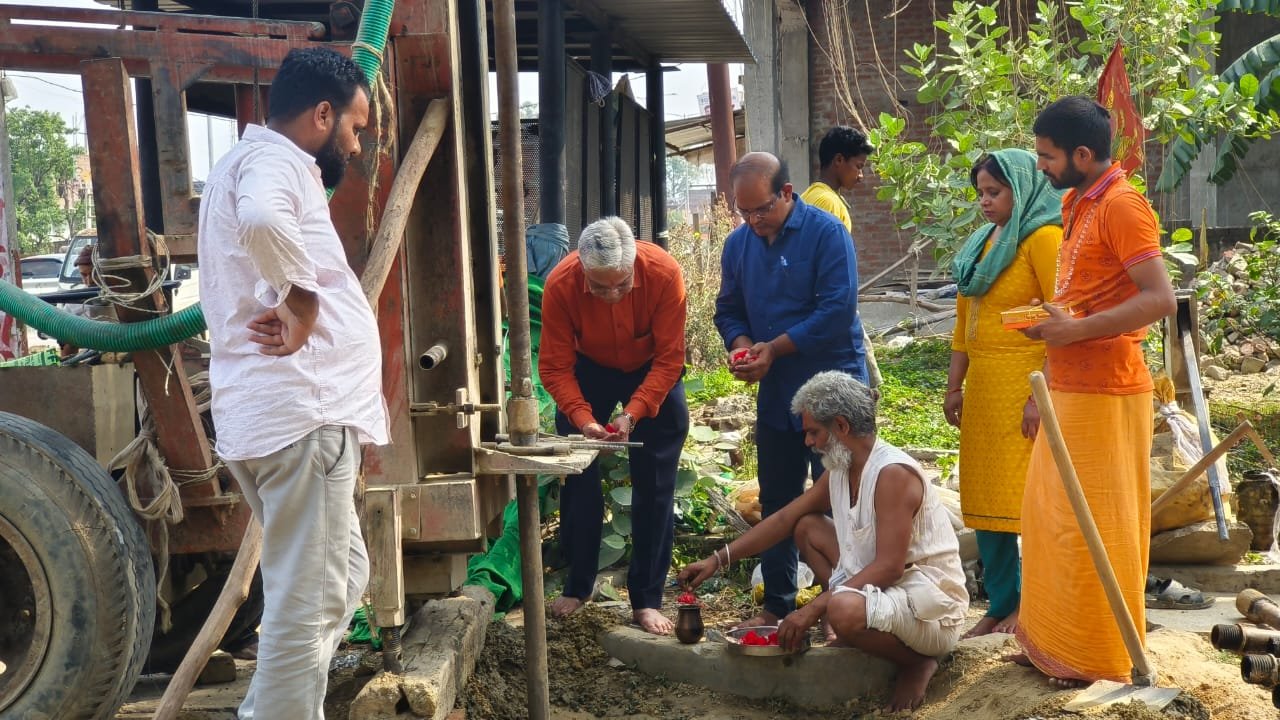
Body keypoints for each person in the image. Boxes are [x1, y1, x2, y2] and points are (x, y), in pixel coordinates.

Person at [197, 47, 387, 719]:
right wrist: (302, 303)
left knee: (343, 578)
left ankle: (270, 702)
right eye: (356, 128)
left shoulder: (247, 163)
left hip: (285, 418)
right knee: (309, 605)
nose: (356, 146)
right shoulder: (275, 165)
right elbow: (263, 221)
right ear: (323, 114)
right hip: (301, 416)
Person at [678, 371, 968, 713]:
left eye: (814, 432)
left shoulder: (892, 474)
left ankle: (917, 663)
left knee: (841, 608)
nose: (808, 442)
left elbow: (889, 568)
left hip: (932, 613)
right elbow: (785, 520)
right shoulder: (841, 470)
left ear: (841, 426)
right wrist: (717, 560)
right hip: (887, 590)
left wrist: (814, 609)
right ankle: (853, 624)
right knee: (807, 527)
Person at [1012, 96, 1176, 688]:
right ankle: (1053, 645)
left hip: (1109, 391)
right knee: (1052, 520)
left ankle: (1097, 658)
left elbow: (1160, 299)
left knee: (1096, 526)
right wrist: (1051, 340)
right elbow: (1082, 298)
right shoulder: (1077, 201)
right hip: (1067, 386)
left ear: (1083, 154)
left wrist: (1075, 330)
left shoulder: (1123, 206)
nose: (1041, 166)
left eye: (1047, 156)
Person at [716, 152, 867, 629]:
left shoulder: (827, 234)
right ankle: (778, 603)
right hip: (777, 391)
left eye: (761, 209)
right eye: (744, 212)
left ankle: (845, 604)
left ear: (786, 192)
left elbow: (836, 311)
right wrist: (742, 346)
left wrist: (775, 348)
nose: (753, 221)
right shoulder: (738, 245)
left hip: (834, 391)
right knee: (777, 495)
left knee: (844, 498)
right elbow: (728, 310)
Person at [538, 216, 689, 635]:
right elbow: (554, 366)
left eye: (621, 286)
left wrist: (634, 413)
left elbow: (670, 358)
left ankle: (647, 599)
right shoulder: (561, 283)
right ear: (582, 268)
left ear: (633, 264)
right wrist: (583, 419)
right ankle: (578, 584)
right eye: (599, 288)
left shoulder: (664, 273)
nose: (611, 296)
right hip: (589, 367)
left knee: (656, 482)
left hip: (651, 368)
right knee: (577, 471)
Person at [945, 149, 1063, 638]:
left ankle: (1033, 605)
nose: (985, 202)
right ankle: (1000, 604)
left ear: (1023, 188)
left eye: (995, 192)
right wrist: (954, 385)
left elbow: (1062, 317)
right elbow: (963, 325)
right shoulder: (981, 244)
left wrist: (1040, 398)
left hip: (1025, 384)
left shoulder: (1043, 238)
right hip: (983, 391)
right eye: (981, 194)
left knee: (1026, 499)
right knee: (985, 498)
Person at [800, 126, 883, 388]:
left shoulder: (811, 196)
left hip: (823, 309)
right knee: (856, 390)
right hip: (833, 308)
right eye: (858, 166)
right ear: (838, 160)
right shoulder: (828, 203)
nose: (861, 175)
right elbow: (824, 264)